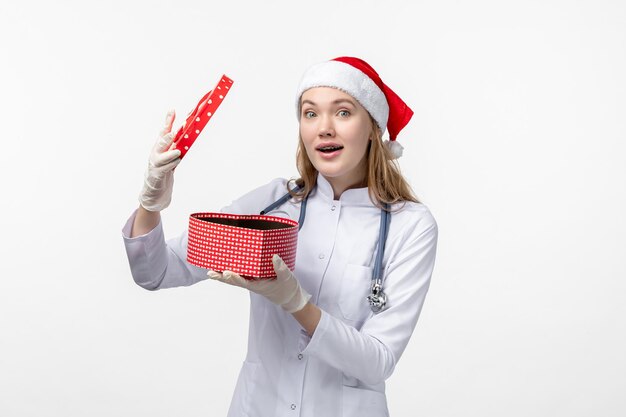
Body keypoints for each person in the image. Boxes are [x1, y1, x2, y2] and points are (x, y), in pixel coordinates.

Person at [122, 56, 438, 417]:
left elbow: (378, 361)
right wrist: (151, 202)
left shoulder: (410, 226)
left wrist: (297, 305)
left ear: (373, 127)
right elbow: (158, 273)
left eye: (344, 112)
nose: (324, 128)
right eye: (310, 113)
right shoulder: (271, 204)